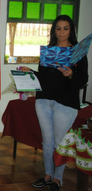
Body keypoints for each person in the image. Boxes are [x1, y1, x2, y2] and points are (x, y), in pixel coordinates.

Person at [20, 15, 88, 191]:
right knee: (47, 142)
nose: (62, 32)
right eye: (58, 28)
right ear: (54, 30)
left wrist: (71, 75)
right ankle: (47, 175)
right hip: (43, 100)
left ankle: (58, 179)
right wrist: (31, 72)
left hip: (65, 103)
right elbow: (44, 76)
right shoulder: (48, 50)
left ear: (71, 30)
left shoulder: (78, 52)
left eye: (66, 28)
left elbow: (83, 79)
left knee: (59, 142)